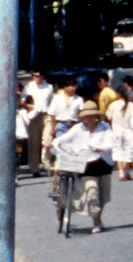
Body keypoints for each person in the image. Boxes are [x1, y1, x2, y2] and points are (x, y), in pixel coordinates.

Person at [49, 100, 118, 233]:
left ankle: (97, 219)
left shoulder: (104, 127)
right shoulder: (78, 128)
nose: (89, 119)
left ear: (96, 116)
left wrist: (100, 148)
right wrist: (56, 141)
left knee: (102, 196)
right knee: (92, 191)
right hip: (85, 166)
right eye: (86, 116)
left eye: (91, 116)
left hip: (103, 165)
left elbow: (111, 143)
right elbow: (65, 138)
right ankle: (96, 223)